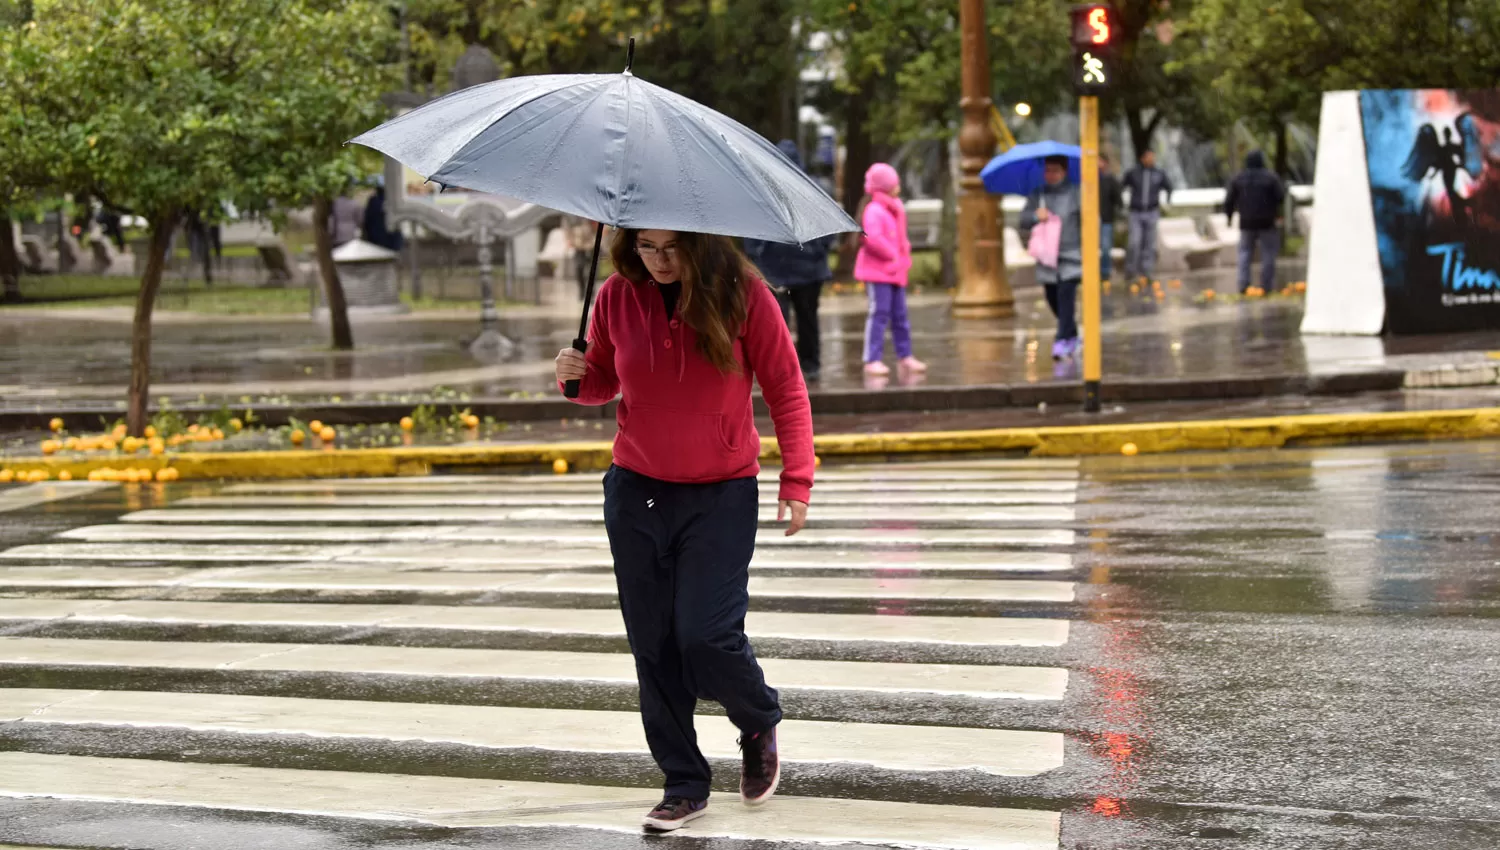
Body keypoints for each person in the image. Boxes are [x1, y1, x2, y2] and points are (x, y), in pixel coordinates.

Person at [554, 227, 813, 833]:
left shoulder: (745, 296)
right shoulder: (616, 295)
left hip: (721, 493)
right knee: (654, 645)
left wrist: (796, 479)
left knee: (704, 634)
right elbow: (602, 384)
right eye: (646, 247)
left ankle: (756, 717)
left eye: (673, 247)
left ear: (700, 242)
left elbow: (786, 388)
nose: (661, 260)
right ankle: (683, 783)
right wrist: (572, 374)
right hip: (636, 489)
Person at [743, 140, 835, 381]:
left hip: (775, 269)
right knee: (808, 320)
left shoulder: (762, 190)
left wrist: (757, 253)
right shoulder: (813, 188)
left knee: (776, 323)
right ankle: (810, 365)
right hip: (809, 269)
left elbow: (750, 228)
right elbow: (830, 227)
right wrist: (819, 250)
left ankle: (781, 370)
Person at [855, 163, 924, 376]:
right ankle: (872, 359)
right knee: (879, 313)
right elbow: (873, 239)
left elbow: (900, 237)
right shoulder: (874, 210)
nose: (899, 187)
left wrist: (903, 256)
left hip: (895, 272)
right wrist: (893, 254)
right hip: (879, 273)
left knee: (900, 315)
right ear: (885, 186)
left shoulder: (894, 208)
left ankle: (905, 355)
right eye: (895, 183)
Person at [1019, 155, 1083, 361]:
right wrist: (1037, 216)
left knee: (1066, 296)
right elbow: (1023, 220)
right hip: (1048, 258)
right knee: (1052, 298)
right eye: (1047, 170)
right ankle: (1071, 333)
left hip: (1071, 256)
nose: (1050, 175)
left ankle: (1061, 340)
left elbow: (1090, 221)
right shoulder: (1038, 194)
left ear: (1064, 172)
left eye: (1055, 170)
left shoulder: (1076, 194)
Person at [1224, 150, 1286, 294]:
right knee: (1268, 253)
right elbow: (1281, 196)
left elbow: (1229, 200)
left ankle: (1243, 284)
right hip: (1267, 222)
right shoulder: (1270, 178)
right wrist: (1276, 211)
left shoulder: (1238, 178)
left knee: (1244, 253)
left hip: (1246, 222)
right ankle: (1267, 286)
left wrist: (1229, 217)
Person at [1122, 148, 1173, 284]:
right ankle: (1131, 271)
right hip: (1136, 212)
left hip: (1152, 211)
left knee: (1150, 244)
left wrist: (1168, 202)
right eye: (1149, 157)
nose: (1151, 159)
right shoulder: (1133, 173)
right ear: (1142, 158)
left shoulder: (1159, 173)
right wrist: (1122, 205)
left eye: (1153, 157)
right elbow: (1121, 186)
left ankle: (1147, 272)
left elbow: (1169, 187)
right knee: (1134, 242)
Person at [361, 180, 404, 253]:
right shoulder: (394, 200)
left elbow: (368, 219)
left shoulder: (373, 201)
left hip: (376, 236)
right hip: (391, 236)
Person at [1099, 153, 1123, 279]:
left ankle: (1105, 272)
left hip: (1106, 219)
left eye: (1100, 161)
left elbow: (1118, 199)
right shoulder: (1089, 179)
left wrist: (1119, 214)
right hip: (1090, 221)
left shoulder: (1111, 180)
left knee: (1106, 247)